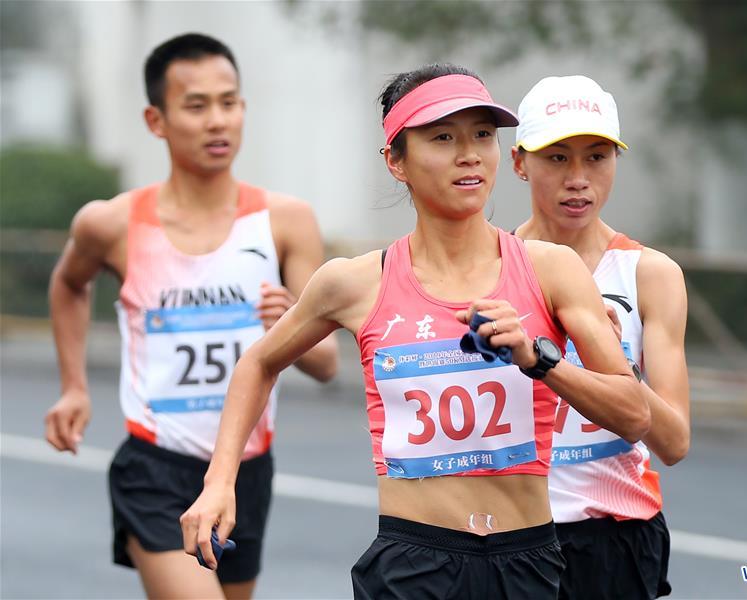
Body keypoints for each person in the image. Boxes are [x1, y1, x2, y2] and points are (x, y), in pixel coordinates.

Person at [180, 64, 649, 599]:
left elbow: (634, 415)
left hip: (528, 561)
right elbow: (258, 362)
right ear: (397, 161)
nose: (468, 153)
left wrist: (539, 359)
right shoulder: (353, 283)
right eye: (443, 137)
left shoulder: (552, 270)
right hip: (412, 564)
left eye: (481, 135)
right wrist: (219, 482)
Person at [43, 33, 337, 599]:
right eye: (196, 106)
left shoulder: (286, 222)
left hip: (246, 470)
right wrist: (74, 386)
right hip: (156, 468)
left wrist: (289, 330)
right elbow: (68, 284)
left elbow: (326, 366)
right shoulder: (111, 224)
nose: (217, 121)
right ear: (157, 120)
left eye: (229, 103)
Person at [511, 75, 691, 599]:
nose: (578, 178)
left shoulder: (648, 273)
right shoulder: (490, 266)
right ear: (520, 162)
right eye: (557, 158)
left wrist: (616, 365)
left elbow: (674, 442)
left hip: (615, 536)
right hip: (511, 533)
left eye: (596, 157)